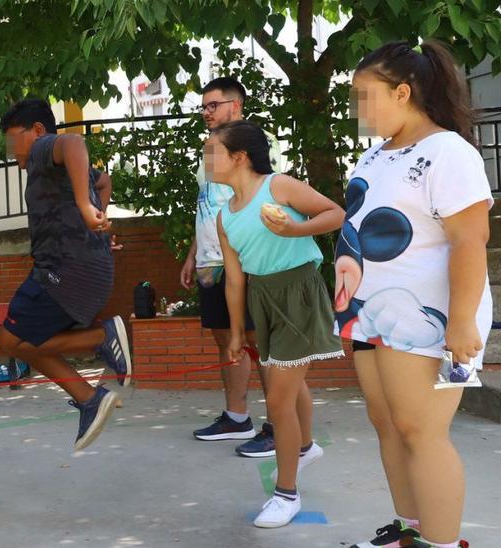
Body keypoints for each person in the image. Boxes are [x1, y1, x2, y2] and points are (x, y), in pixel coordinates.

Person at [340, 41, 489, 548]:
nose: (357, 111)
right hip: (370, 312)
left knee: (421, 432)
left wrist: (463, 321)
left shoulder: (449, 151)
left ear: (402, 92)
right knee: (388, 425)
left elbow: (470, 240)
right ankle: (410, 533)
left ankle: (444, 544)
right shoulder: (373, 155)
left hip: (431, 316)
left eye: (365, 97)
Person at [208, 120, 344, 528]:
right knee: (288, 380)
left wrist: (295, 228)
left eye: (211, 151)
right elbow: (234, 279)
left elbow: (336, 213)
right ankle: (305, 447)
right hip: (262, 299)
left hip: (299, 291)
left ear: (239, 157)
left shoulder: (279, 187)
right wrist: (234, 332)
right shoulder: (224, 216)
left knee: (279, 399)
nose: (205, 160)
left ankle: (286, 494)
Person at [0, 99, 132, 451]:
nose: (13, 153)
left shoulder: (44, 148)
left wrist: (88, 211)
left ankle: (102, 337)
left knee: (10, 342)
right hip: (80, 268)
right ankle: (89, 399)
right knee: (22, 343)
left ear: (37, 130)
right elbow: (104, 181)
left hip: (62, 271)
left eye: (14, 140)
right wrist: (96, 220)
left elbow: (74, 142)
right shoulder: (56, 169)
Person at [184, 78, 288, 457]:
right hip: (212, 261)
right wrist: (194, 252)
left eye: (213, 105)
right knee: (228, 340)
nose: (206, 112)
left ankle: (280, 426)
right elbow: (207, 202)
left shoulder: (261, 143)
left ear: (235, 106)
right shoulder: (210, 150)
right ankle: (236, 417)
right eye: (204, 107)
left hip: (245, 259)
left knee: (260, 343)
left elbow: (268, 196)